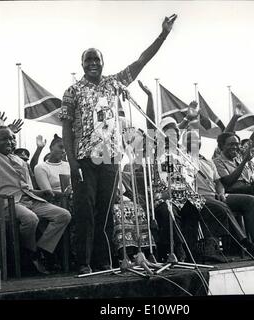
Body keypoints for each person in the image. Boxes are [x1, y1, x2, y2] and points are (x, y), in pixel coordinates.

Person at [60, 14, 177, 274]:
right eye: (88, 59)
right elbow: (66, 127)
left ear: (103, 63)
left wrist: (163, 35)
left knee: (105, 211)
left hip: (110, 158)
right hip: (84, 158)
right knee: (85, 210)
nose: (92, 63)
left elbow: (141, 61)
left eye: (96, 59)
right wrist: (71, 161)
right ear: (81, 64)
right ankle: (84, 262)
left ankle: (104, 260)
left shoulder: (114, 83)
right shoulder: (72, 91)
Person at [0, 88, 71, 274]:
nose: (10, 143)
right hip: (6, 203)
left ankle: (40, 251)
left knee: (63, 215)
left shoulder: (20, 160)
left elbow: (26, 188)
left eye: (12, 139)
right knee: (30, 219)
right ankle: (28, 253)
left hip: (29, 200)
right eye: (4, 139)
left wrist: (42, 193)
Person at [182, 130, 254, 260]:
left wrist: (220, 193)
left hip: (215, 196)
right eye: (189, 140)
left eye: (197, 140)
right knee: (221, 207)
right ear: (183, 143)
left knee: (250, 200)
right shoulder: (182, 160)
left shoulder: (208, 162)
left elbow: (218, 182)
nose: (194, 143)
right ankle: (248, 246)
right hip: (197, 197)